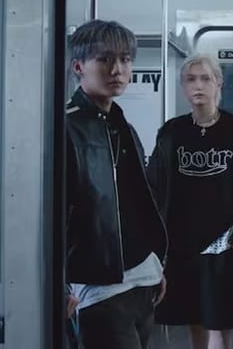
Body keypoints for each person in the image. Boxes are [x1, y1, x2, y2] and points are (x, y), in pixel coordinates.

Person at [65, 19, 168, 349]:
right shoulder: (66, 127)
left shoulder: (122, 124)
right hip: (99, 287)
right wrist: (59, 285)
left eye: (125, 60)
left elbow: (136, 202)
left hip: (143, 278)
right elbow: (50, 213)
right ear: (79, 67)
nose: (117, 70)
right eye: (105, 59)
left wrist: (154, 264)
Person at [147, 55, 233, 349]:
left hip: (225, 241)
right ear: (182, 86)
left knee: (219, 320)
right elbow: (154, 185)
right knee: (193, 316)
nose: (198, 86)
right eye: (191, 79)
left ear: (219, 83)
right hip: (181, 241)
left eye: (205, 78)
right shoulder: (172, 131)